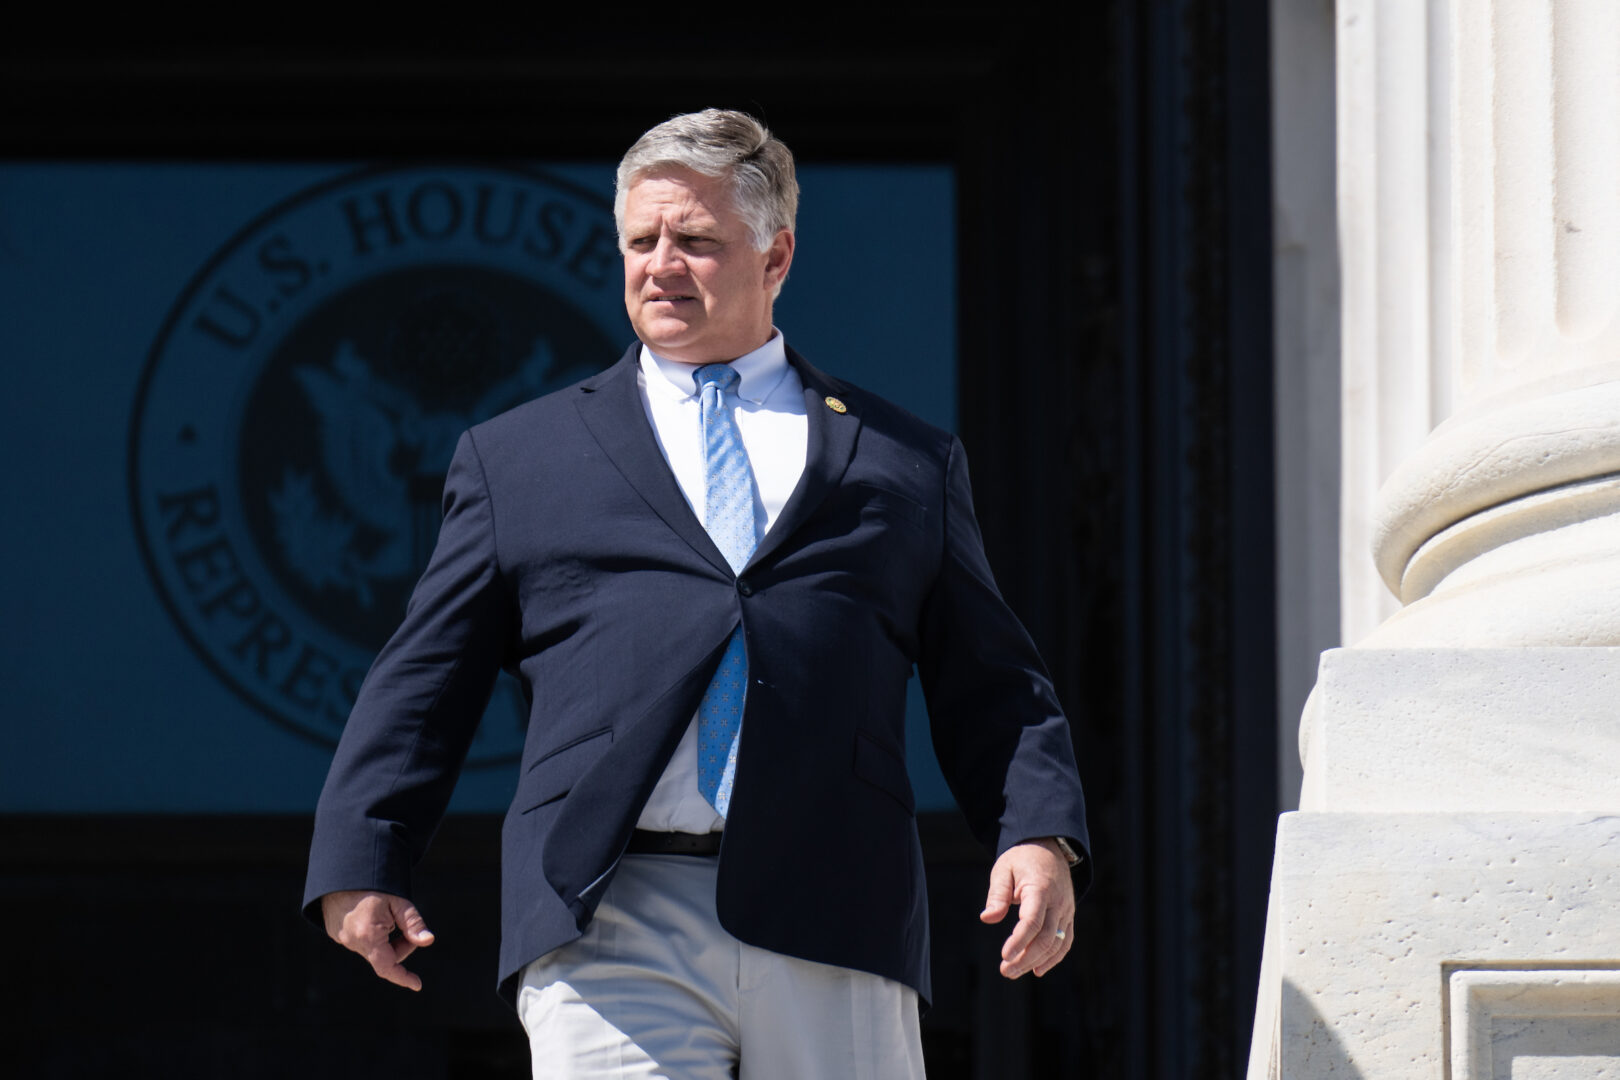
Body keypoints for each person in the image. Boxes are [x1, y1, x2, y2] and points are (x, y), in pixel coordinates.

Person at [304, 108, 1090, 1079]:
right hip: (606, 910)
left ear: (777, 254)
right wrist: (362, 859)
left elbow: (993, 679)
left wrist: (1037, 833)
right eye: (643, 240)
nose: (662, 264)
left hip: (836, 897)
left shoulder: (901, 460)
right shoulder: (522, 458)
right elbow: (425, 678)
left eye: (697, 241)